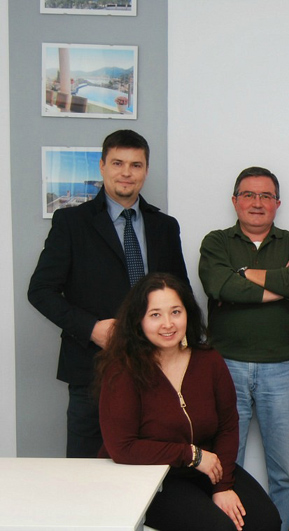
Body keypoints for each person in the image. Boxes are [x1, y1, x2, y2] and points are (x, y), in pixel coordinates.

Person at [28, 129, 189, 458]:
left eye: (135, 165)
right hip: (93, 370)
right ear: (102, 166)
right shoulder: (71, 222)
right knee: (87, 471)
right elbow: (40, 291)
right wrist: (91, 328)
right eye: (118, 163)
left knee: (152, 466)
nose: (126, 172)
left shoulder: (165, 226)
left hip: (157, 368)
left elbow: (180, 292)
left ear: (146, 170)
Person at [97, 273, 281, 531]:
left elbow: (228, 426)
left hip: (207, 466)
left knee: (266, 521)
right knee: (220, 529)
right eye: (155, 315)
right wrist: (191, 455)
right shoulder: (123, 370)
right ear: (138, 320)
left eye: (176, 312)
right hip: (152, 476)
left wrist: (223, 486)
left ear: (188, 314)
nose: (168, 324)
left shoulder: (209, 360)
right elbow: (122, 447)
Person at [199, 166, 289, 531]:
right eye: (248, 195)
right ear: (235, 201)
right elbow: (218, 285)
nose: (257, 202)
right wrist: (279, 283)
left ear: (277, 203)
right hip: (224, 366)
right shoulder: (216, 242)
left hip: (282, 368)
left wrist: (242, 274)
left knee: (285, 470)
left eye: (266, 196)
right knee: (223, 467)